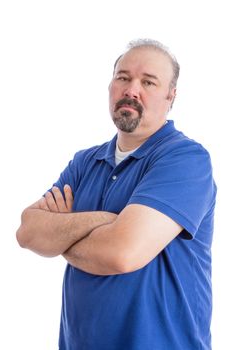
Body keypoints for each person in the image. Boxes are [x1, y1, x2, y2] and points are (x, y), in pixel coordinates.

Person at [16, 38, 217, 350]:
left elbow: (122, 254)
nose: (131, 89)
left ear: (171, 96)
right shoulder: (86, 161)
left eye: (148, 82)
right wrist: (104, 222)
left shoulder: (184, 160)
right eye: (123, 77)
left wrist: (61, 238)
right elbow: (28, 231)